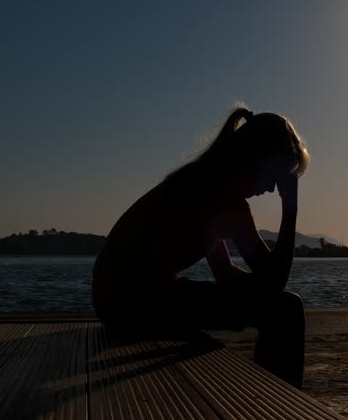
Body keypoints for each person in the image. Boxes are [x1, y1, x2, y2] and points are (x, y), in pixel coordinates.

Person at [91, 105, 309, 388]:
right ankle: (282, 407)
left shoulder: (202, 178)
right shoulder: (225, 199)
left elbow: (224, 273)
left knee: (275, 303)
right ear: (257, 160)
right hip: (133, 301)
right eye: (274, 176)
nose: (270, 189)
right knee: (286, 310)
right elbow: (276, 281)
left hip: (114, 298)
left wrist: (258, 287)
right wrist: (290, 207)